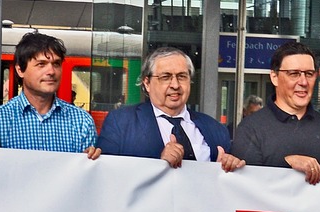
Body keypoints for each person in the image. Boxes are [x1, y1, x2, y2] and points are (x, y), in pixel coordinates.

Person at [97, 47, 243, 171]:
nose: (175, 85)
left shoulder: (215, 129)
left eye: (182, 76)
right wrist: (160, 164)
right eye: (165, 77)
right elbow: (107, 177)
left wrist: (228, 168)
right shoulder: (121, 123)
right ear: (147, 83)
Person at [232, 40, 320, 184]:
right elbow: (245, 185)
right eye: (294, 74)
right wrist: (287, 162)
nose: (303, 82)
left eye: (309, 74)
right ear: (274, 77)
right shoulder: (250, 128)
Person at [0, 32, 99, 157]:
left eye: (56, 64)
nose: (51, 71)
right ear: (20, 70)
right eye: (41, 64)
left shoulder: (81, 122)